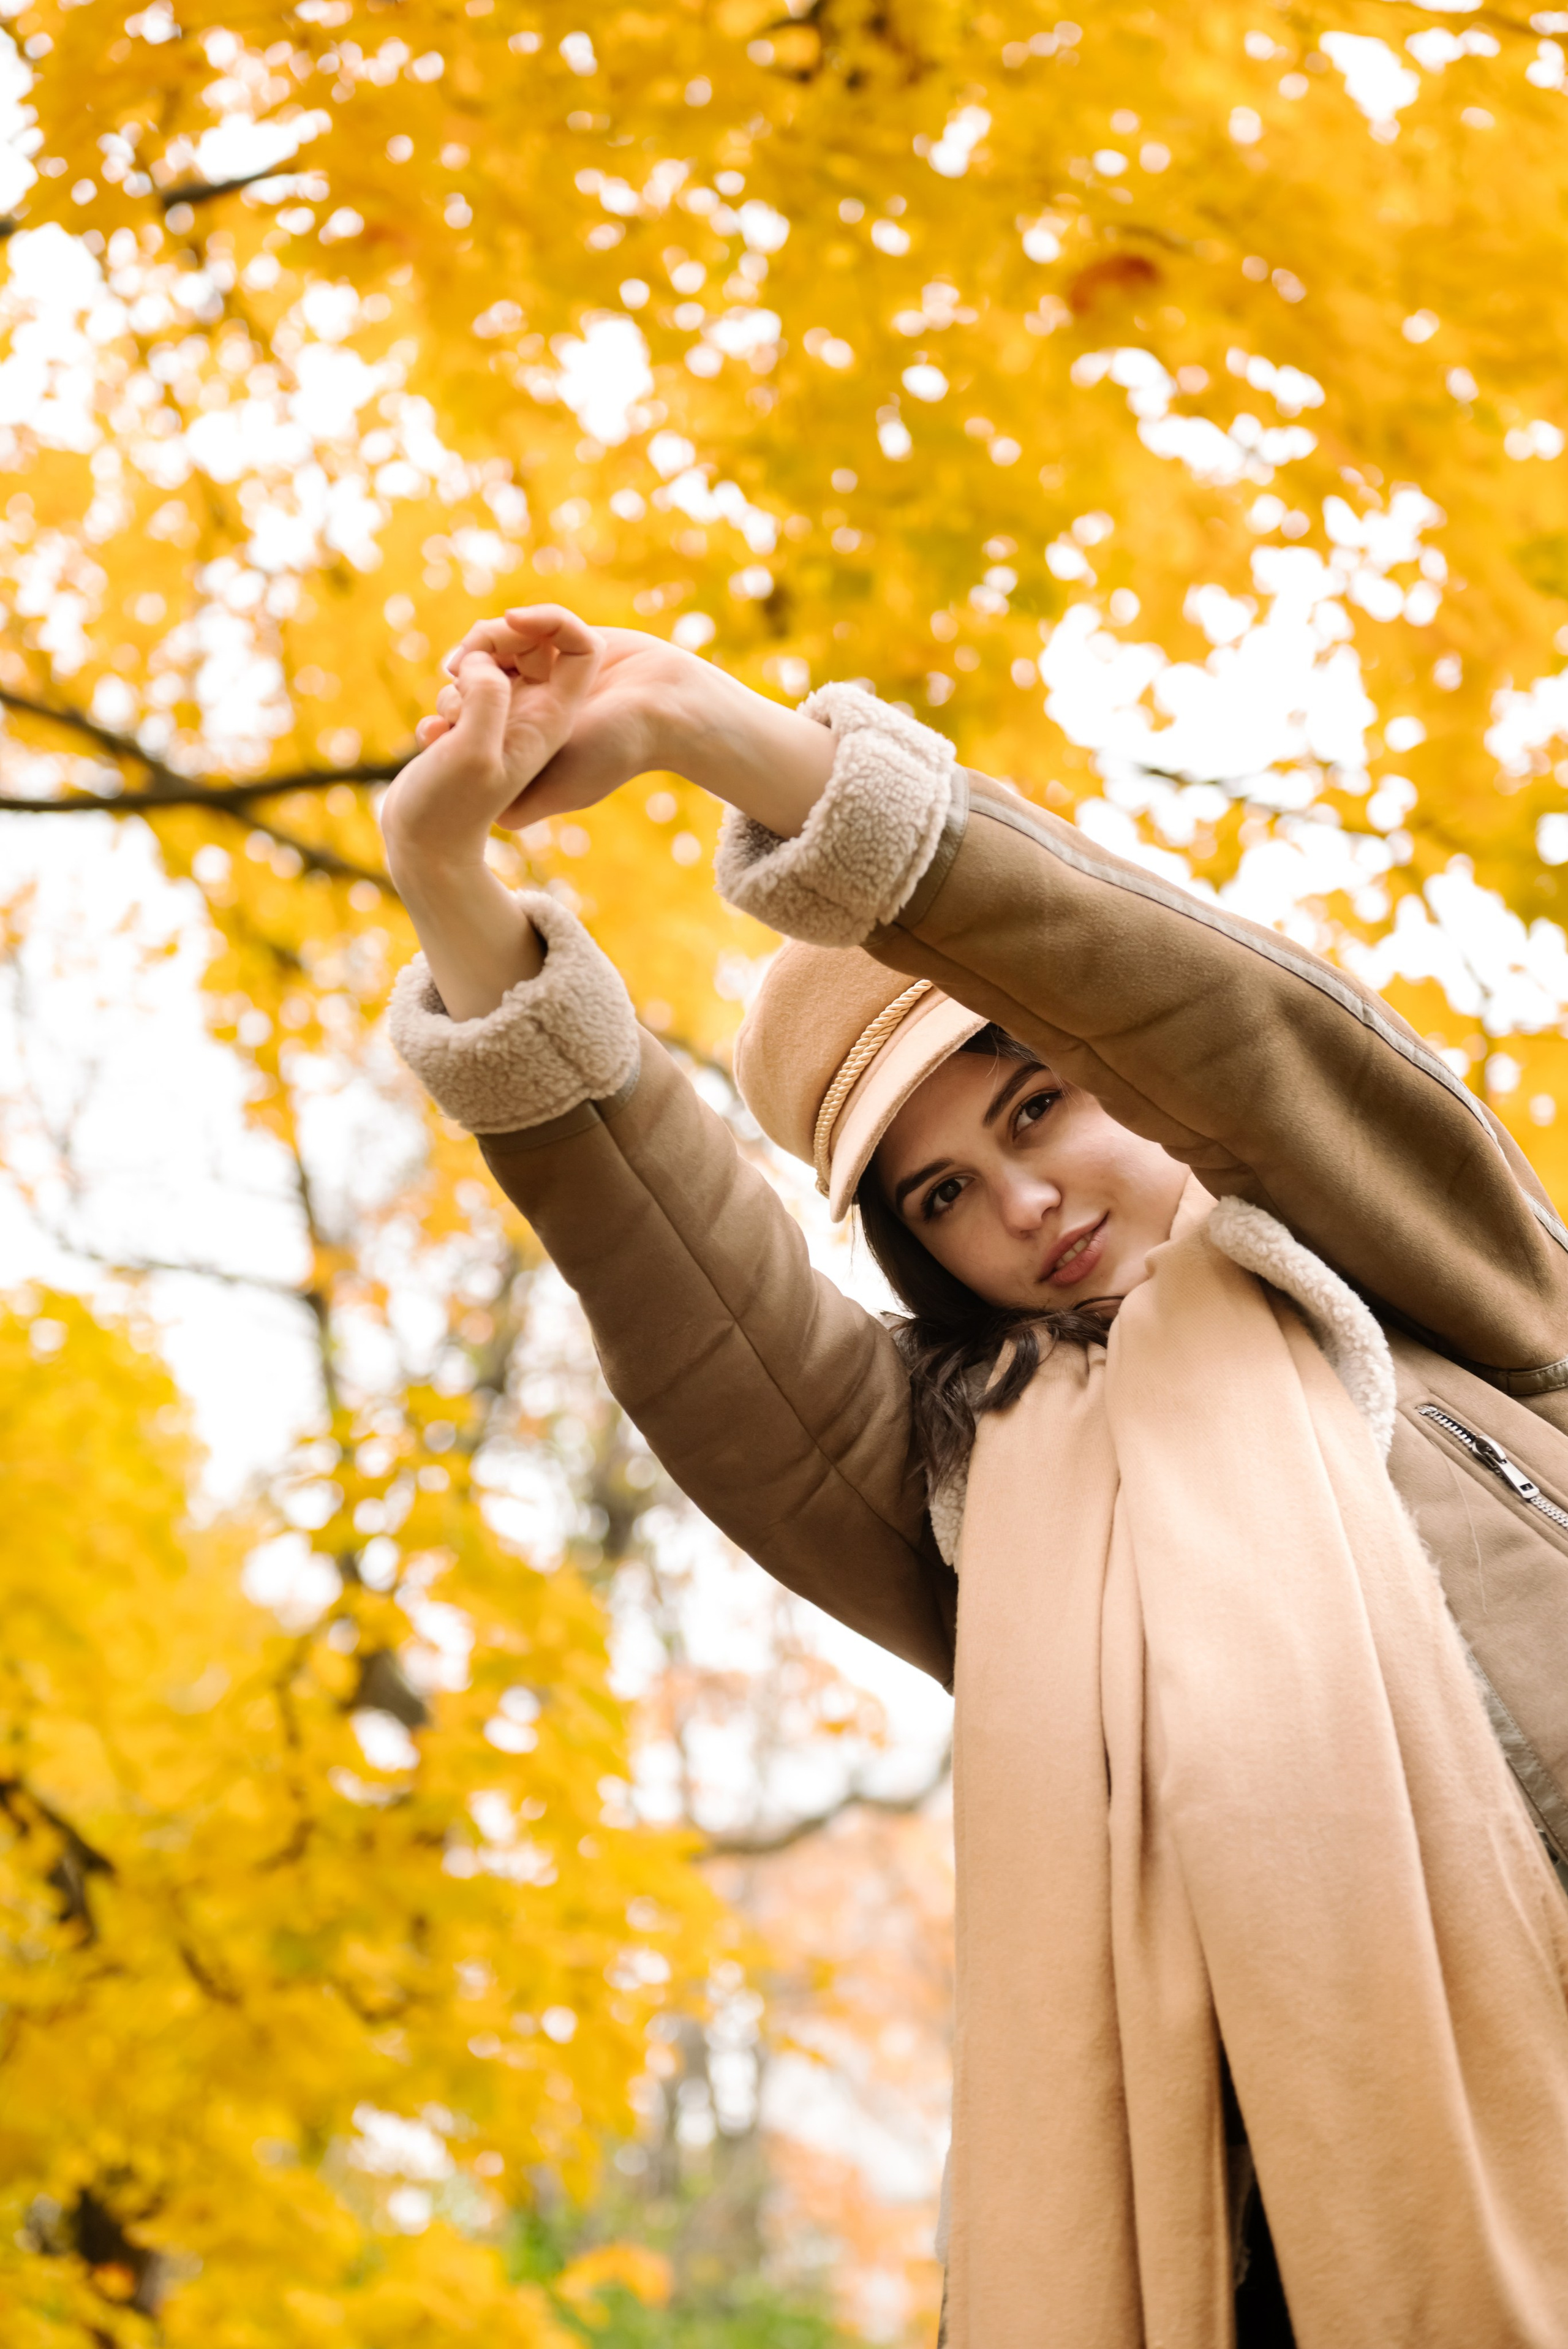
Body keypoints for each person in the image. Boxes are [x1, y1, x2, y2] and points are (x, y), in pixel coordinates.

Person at [381, 606, 1568, 2349]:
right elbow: (696, 1292)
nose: (1014, 1206)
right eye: (934, 1195)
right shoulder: (975, 1492)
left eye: (1034, 1108)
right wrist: (449, 886)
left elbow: (1238, 1035)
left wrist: (739, 743)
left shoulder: (1422, 1266)